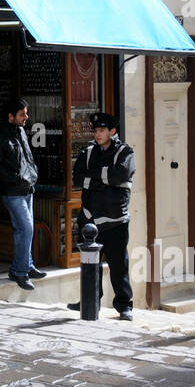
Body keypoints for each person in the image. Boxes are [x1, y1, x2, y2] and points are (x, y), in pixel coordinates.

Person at [68, 112, 136, 319]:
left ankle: (124, 306)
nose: (98, 134)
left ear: (112, 132)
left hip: (116, 221)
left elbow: (121, 175)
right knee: (90, 265)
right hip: (90, 221)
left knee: (118, 266)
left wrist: (95, 177)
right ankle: (89, 301)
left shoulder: (126, 152)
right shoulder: (88, 152)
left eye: (102, 130)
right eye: (96, 130)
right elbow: (78, 178)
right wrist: (104, 178)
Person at [0, 96, 45, 290]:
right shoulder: (1, 134)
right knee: (25, 228)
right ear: (10, 116)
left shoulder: (21, 131)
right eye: (22, 114)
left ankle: (27, 264)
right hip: (13, 191)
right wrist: (17, 179)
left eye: (26, 113)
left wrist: (32, 176)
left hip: (27, 188)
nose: (26, 117)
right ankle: (19, 271)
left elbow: (27, 158)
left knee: (26, 228)